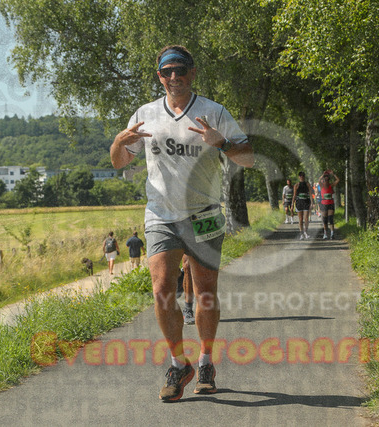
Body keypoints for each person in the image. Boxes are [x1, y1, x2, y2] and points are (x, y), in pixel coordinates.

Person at [110, 45, 254, 402]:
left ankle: (205, 362)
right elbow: (119, 162)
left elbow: (248, 158)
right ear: (159, 76)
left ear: (192, 73)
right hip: (161, 214)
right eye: (167, 71)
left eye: (181, 69)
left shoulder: (213, 112)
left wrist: (222, 143)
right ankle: (179, 364)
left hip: (204, 214)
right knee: (162, 290)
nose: (174, 76)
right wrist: (117, 142)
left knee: (204, 291)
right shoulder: (144, 114)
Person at [318, 170, 340, 239]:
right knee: (325, 220)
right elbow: (319, 180)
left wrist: (333, 174)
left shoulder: (331, 185)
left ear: (329, 180)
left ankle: (332, 234)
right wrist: (323, 174)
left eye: (327, 180)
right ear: (323, 180)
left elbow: (338, 180)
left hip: (330, 203)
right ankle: (325, 234)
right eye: (325, 179)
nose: (326, 181)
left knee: (331, 219)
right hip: (324, 204)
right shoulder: (321, 186)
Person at [292, 171, 313, 240]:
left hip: (306, 202)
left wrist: (312, 203)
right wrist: (292, 205)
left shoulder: (307, 184)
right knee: (300, 219)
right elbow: (294, 195)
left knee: (306, 218)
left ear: (304, 176)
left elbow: (310, 194)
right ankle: (301, 234)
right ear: (299, 177)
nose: (302, 177)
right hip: (299, 203)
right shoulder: (296, 185)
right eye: (300, 176)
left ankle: (305, 232)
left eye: (303, 175)